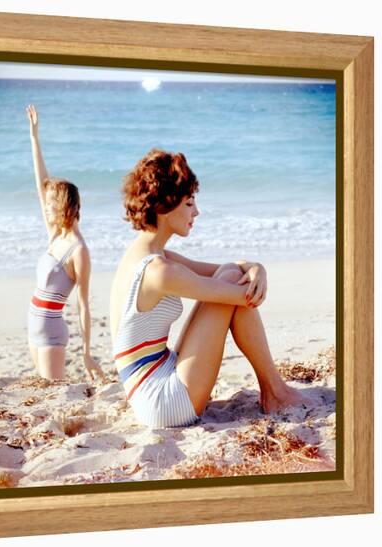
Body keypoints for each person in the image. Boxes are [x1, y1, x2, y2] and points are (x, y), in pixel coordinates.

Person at [110, 148, 312, 428]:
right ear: (166, 205)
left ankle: (274, 389)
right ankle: (275, 391)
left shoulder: (148, 256)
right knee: (231, 280)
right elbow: (244, 296)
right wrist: (253, 277)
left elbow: (225, 269)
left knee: (229, 273)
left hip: (154, 376)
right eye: (189, 202)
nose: (197, 211)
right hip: (163, 402)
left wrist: (256, 267)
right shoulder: (159, 271)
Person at [26, 104, 104, 382]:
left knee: (53, 391)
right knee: (42, 390)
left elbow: (83, 305)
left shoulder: (79, 251)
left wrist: (86, 352)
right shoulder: (54, 233)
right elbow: (41, 184)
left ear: (61, 207)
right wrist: (34, 138)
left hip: (50, 332)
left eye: (50, 204)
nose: (45, 208)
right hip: (33, 324)